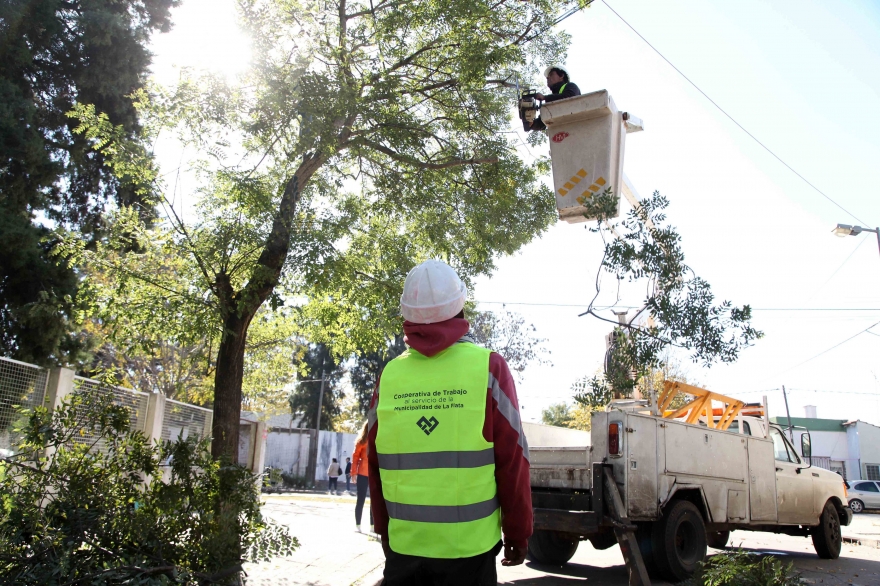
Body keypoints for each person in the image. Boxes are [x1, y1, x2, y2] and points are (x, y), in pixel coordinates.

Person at [366, 259, 532, 586]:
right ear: (459, 307)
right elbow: (513, 460)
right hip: (470, 554)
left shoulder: (389, 378)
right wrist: (518, 531)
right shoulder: (489, 369)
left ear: (407, 315)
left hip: (405, 552)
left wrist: (385, 531)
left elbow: (374, 464)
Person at [529, 64, 581, 131]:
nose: (548, 78)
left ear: (561, 76)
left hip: (576, 129)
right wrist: (531, 123)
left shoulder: (571, 86)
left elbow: (569, 98)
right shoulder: (551, 101)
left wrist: (545, 97)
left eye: (551, 74)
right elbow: (541, 123)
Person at [351, 421, 373, 532]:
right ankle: (358, 524)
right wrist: (353, 473)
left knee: (374, 501)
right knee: (361, 500)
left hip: (374, 473)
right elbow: (355, 457)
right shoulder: (362, 441)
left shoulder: (378, 440)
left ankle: (373, 526)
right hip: (363, 474)